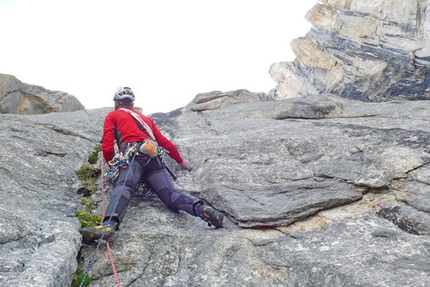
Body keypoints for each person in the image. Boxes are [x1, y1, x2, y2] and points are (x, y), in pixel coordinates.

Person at [79, 87, 223, 243]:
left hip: (132, 155)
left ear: (116, 102)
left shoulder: (113, 115)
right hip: (154, 158)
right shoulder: (147, 120)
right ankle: (201, 209)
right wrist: (181, 161)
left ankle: (108, 225)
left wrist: (113, 165)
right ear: (131, 104)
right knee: (169, 193)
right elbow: (165, 143)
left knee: (125, 185)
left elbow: (107, 147)